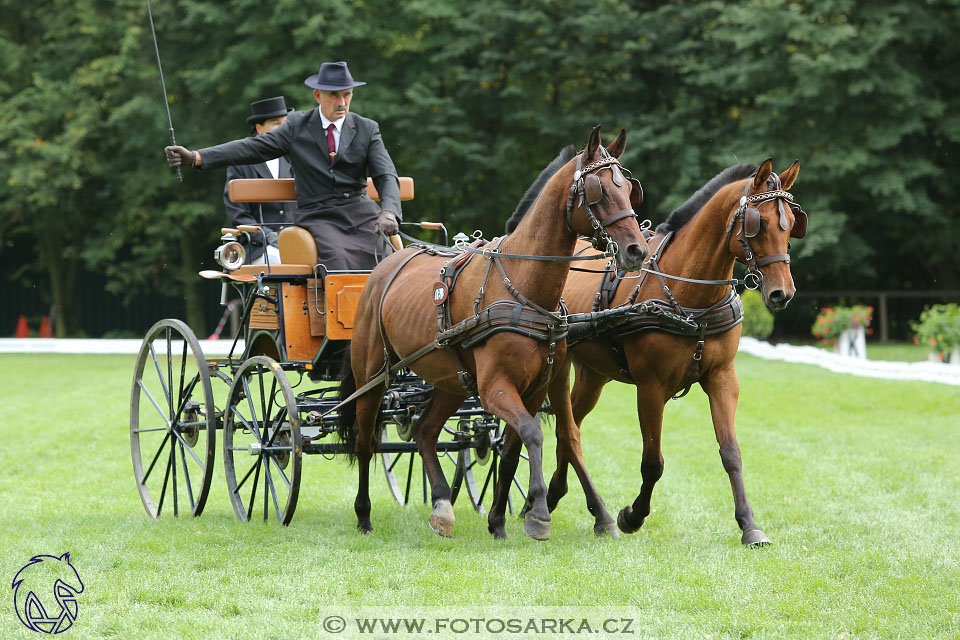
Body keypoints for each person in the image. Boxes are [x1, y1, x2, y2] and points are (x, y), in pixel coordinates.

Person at [165, 61, 401, 271]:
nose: (342, 103)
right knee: (338, 259)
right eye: (334, 95)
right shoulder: (297, 126)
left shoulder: (367, 128)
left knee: (389, 261)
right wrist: (196, 157)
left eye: (347, 95)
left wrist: (389, 211)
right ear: (318, 96)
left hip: (361, 214)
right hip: (319, 216)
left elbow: (386, 174)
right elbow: (252, 148)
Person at [224, 96, 294, 265]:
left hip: (293, 240)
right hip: (258, 245)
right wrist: (267, 235)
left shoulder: (292, 160)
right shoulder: (241, 165)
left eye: (285, 123)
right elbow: (238, 214)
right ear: (259, 128)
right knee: (276, 259)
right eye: (276, 123)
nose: (283, 128)